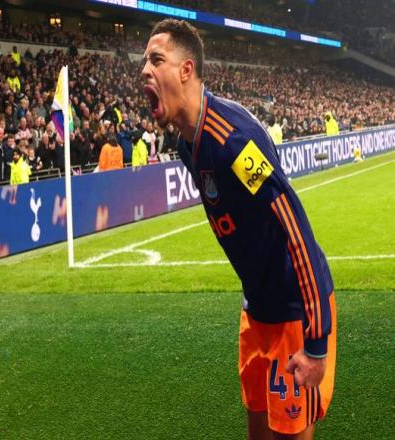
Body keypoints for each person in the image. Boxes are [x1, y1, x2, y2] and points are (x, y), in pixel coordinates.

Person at [141, 19, 336, 440]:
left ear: (186, 70)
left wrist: (316, 341)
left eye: (156, 60)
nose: (145, 70)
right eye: (144, 62)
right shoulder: (186, 142)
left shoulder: (232, 141)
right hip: (256, 308)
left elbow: (294, 229)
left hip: (292, 314)